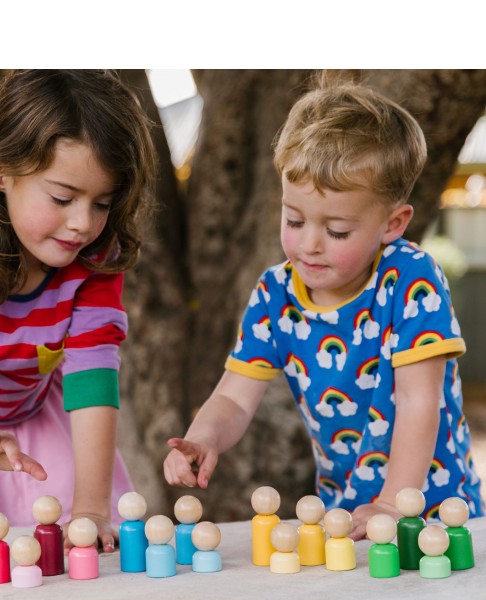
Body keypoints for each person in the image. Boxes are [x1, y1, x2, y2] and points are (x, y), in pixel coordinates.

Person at [163, 75, 484, 540]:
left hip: (437, 516)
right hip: (347, 516)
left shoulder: (411, 279)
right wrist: (205, 438)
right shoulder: (275, 294)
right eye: (294, 220)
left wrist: (395, 504)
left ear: (392, 223)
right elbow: (234, 395)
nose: (309, 244)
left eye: (336, 231)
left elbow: (419, 400)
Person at [0, 70, 155, 552]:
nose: (83, 224)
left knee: (78, 543)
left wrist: (92, 511)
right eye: (62, 198)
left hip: (47, 416)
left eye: (102, 203)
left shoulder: (95, 260)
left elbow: (92, 376)